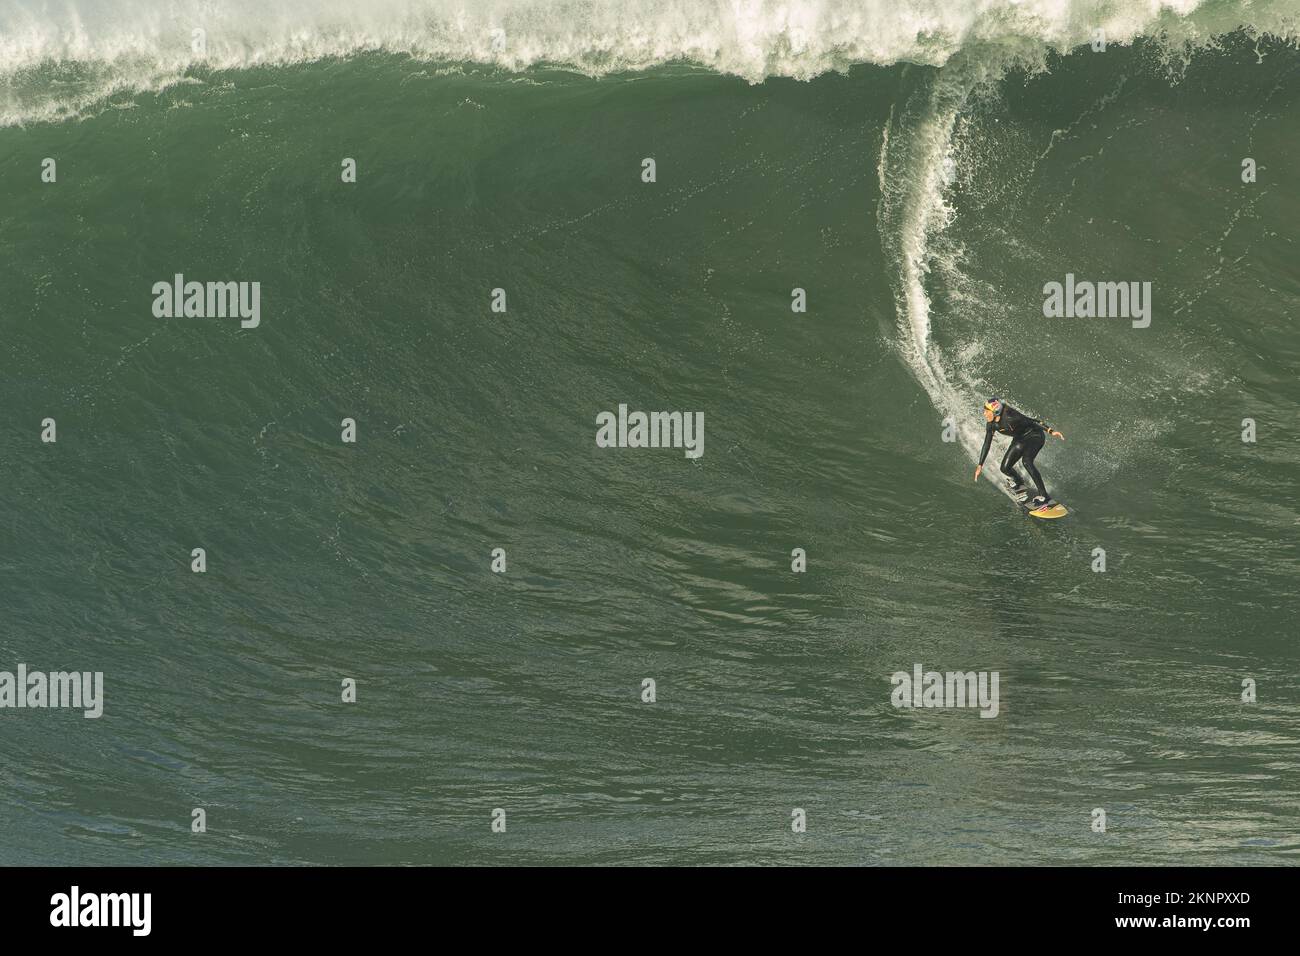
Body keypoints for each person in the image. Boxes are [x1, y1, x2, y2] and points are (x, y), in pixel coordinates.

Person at [973, 397, 1065, 512]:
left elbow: (1033, 421)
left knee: (1026, 461)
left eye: (986, 411)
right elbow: (987, 443)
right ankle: (1019, 481)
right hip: (1019, 440)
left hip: (1034, 435)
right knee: (1005, 468)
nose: (984, 413)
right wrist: (980, 464)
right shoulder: (991, 425)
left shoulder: (1011, 417)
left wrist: (1051, 431)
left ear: (995, 412)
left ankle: (1044, 496)